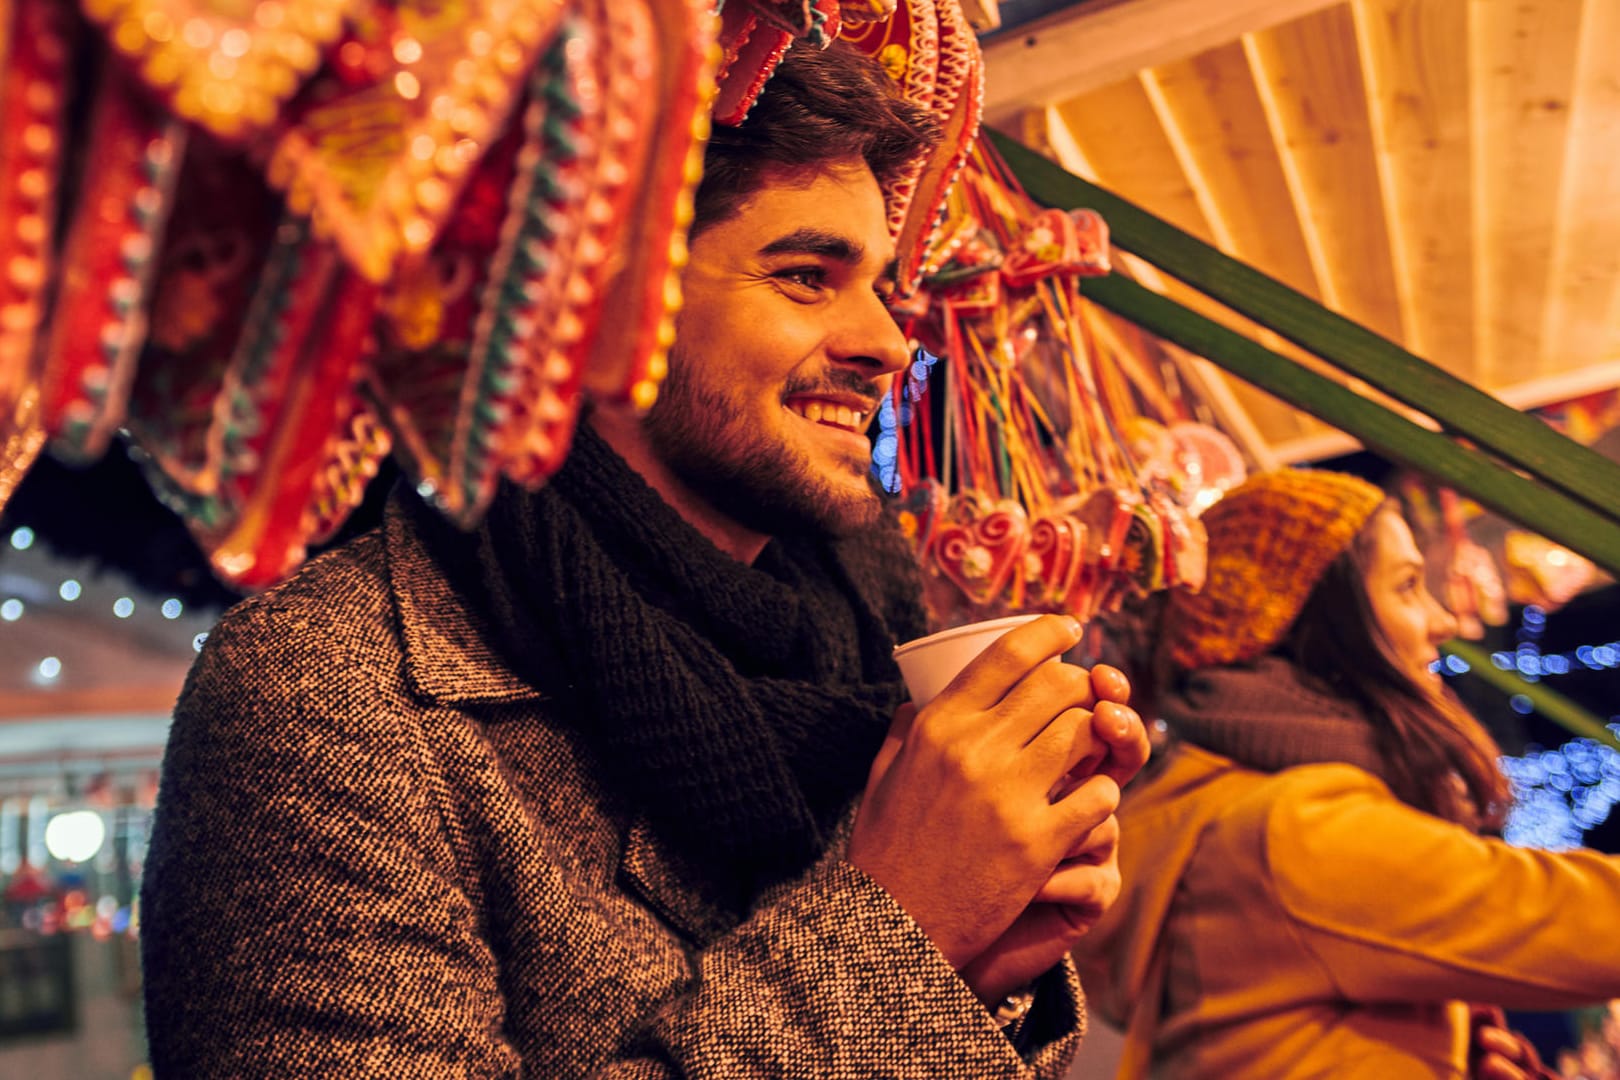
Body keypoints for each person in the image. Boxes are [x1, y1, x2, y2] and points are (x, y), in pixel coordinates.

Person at [139, 41, 1149, 1078]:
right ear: (600, 308)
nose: (890, 340)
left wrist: (982, 964)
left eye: (881, 285)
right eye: (805, 276)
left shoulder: (861, 641)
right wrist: (905, 928)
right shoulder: (325, 695)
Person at [1071, 468, 1620, 1078]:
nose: (1439, 619)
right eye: (1407, 586)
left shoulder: (1222, 800)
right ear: (1311, 624)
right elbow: (1584, 921)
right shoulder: (1292, 829)